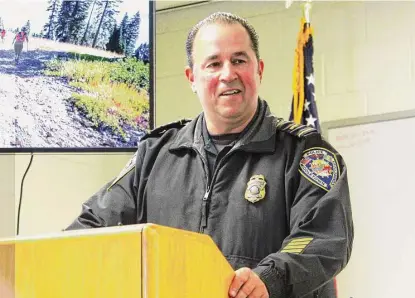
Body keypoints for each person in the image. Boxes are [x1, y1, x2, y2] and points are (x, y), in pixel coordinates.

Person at [66, 12, 354, 298]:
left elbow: (323, 236)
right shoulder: (155, 156)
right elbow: (92, 226)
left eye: (239, 60)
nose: (228, 74)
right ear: (192, 78)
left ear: (259, 70)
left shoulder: (304, 154)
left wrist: (270, 278)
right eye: (214, 64)